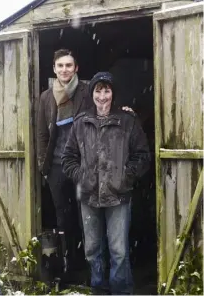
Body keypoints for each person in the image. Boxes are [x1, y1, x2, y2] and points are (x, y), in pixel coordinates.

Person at [61, 71, 150, 295]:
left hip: (118, 195)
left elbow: (142, 155)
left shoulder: (127, 121)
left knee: (118, 249)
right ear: (92, 94)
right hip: (89, 196)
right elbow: (68, 157)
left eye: (107, 90)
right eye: (98, 90)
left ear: (113, 93)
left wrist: (125, 176)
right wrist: (81, 176)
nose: (102, 96)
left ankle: (121, 291)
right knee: (92, 249)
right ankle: (99, 288)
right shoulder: (81, 122)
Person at [36, 49, 93, 279]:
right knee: (63, 219)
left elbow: (105, 110)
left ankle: (92, 270)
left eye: (69, 65)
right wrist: (44, 165)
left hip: (81, 166)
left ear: (76, 68)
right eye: (60, 66)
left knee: (86, 217)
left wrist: (126, 110)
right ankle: (70, 266)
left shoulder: (87, 91)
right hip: (57, 167)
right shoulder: (46, 97)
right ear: (54, 69)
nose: (64, 70)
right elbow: (41, 134)